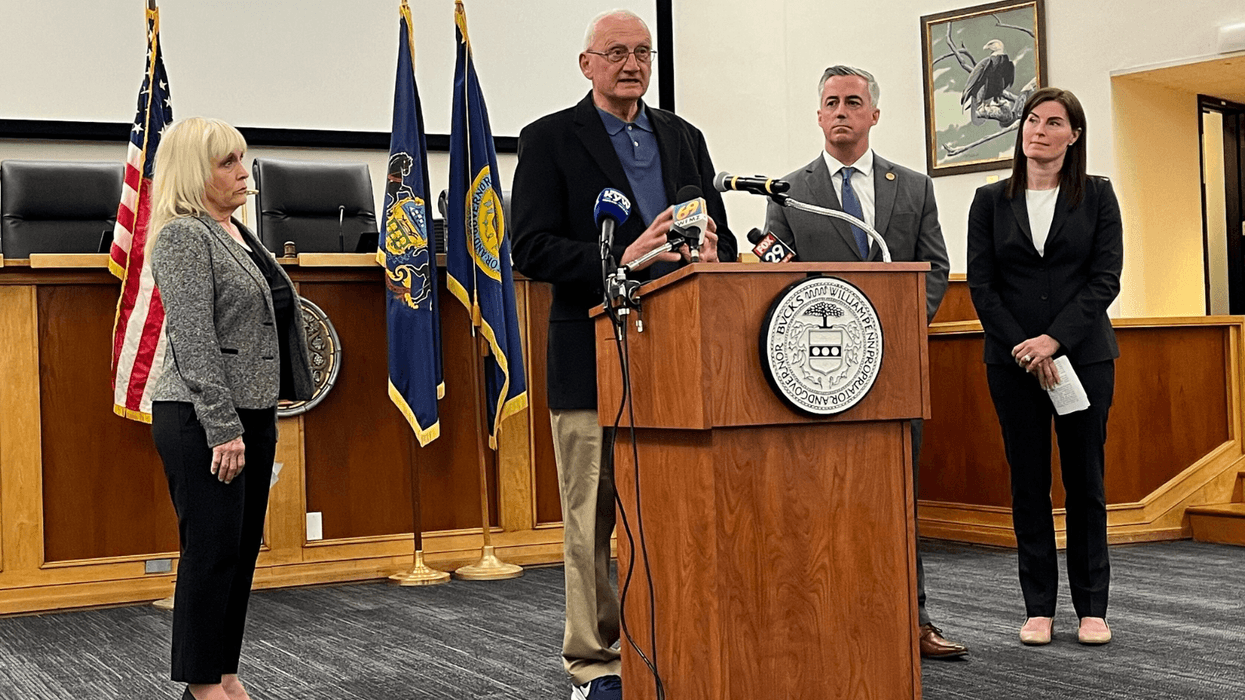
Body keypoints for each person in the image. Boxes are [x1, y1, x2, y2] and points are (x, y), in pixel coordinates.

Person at [510, 9, 735, 700]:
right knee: (591, 521)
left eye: (641, 52)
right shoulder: (548, 139)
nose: (630, 63)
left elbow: (714, 231)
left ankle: (671, 640)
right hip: (589, 356)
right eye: (615, 53)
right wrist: (624, 255)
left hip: (676, 356)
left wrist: (712, 250)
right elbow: (531, 248)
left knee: (673, 514)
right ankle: (594, 665)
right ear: (587, 65)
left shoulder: (682, 137)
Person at [764, 65, 965, 659]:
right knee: (821, 496)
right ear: (819, 115)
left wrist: (902, 331)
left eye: (854, 102)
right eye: (831, 102)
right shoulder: (787, 192)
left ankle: (913, 620)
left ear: (874, 115)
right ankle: (829, 618)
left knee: (897, 495)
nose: (842, 112)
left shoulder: (913, 186)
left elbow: (934, 268)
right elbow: (778, 278)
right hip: (818, 373)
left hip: (896, 370)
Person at [147, 117, 315, 700]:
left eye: (243, 159)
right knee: (212, 552)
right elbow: (193, 341)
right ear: (196, 171)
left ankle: (223, 673)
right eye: (228, 162)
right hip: (203, 417)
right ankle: (200, 683)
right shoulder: (184, 236)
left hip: (252, 413)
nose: (245, 172)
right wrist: (223, 428)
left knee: (240, 555)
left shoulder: (237, 231)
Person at [966, 87, 1122, 647]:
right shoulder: (989, 200)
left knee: (1086, 484)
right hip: (1011, 364)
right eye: (1032, 120)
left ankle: (1091, 609)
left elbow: (1105, 279)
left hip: (1084, 357)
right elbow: (982, 287)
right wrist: (1025, 348)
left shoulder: (1098, 196)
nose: (1038, 129)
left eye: (1053, 122)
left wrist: (1053, 341)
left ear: (1073, 136)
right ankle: (1038, 608)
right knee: (1028, 484)